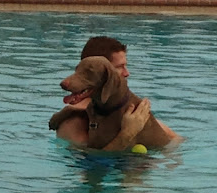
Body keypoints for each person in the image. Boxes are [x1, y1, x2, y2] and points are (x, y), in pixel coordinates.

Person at [51, 36, 179, 150]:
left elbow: (175, 141)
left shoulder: (131, 111)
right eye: (119, 67)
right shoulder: (71, 124)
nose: (126, 73)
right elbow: (91, 164)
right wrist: (127, 133)